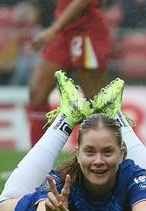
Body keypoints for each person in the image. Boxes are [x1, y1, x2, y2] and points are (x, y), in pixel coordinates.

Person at [0, 71, 146, 211]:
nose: (98, 161)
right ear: (78, 153)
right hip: (53, 210)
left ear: (122, 153)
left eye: (107, 152)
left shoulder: (131, 174)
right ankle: (67, 117)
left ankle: (115, 116)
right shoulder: (62, 183)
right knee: (1, 210)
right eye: (89, 152)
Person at [27, 0, 112, 147]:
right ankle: (39, 163)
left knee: (97, 104)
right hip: (64, 31)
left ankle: (109, 160)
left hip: (87, 30)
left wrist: (53, 29)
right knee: (37, 93)